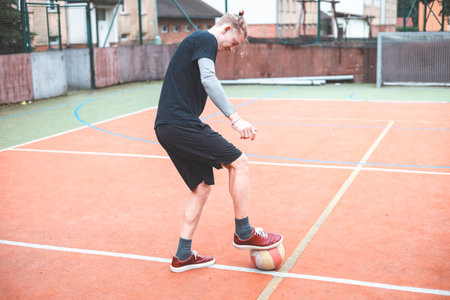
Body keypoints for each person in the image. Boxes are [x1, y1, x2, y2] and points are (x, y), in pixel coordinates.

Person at [154, 10, 283, 273]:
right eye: (234, 43)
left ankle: (183, 255)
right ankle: (244, 231)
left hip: (167, 126)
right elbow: (209, 79)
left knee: (201, 187)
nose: (232, 49)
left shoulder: (200, 43)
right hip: (180, 123)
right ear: (225, 30)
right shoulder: (205, 39)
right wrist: (235, 119)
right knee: (239, 162)